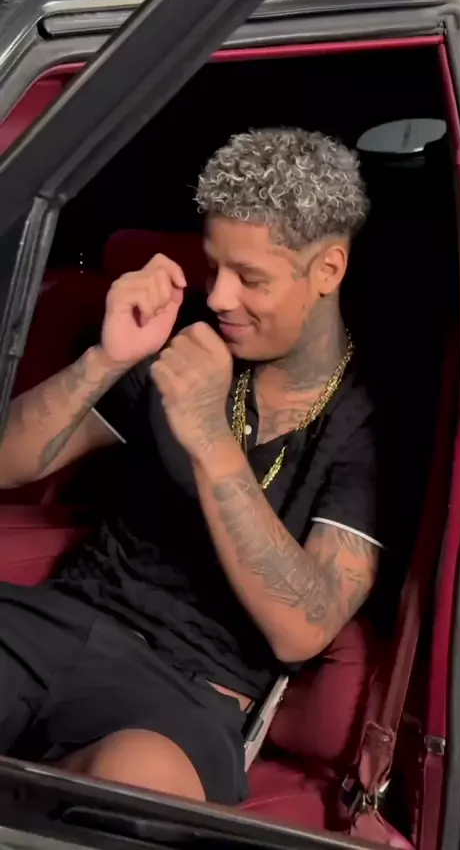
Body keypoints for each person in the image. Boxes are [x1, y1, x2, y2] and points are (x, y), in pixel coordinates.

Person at [0, 128, 383, 806]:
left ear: (328, 270)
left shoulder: (366, 424)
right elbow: (7, 463)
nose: (220, 296)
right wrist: (108, 360)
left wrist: (208, 436)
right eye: (213, 267)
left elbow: (305, 625)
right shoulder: (185, 345)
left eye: (250, 278)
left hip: (191, 692)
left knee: (135, 786)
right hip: (64, 621)